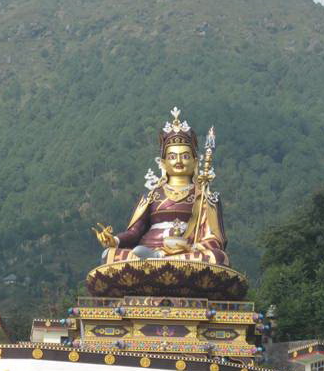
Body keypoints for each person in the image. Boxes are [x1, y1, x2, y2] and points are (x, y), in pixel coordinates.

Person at [93, 108, 228, 266]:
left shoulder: (204, 196)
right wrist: (115, 240)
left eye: (185, 156)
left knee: (216, 257)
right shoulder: (152, 195)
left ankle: (160, 257)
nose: (179, 161)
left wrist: (192, 248)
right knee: (108, 255)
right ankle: (156, 257)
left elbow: (214, 238)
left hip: (185, 252)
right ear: (163, 162)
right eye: (172, 156)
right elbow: (135, 232)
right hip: (146, 249)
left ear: (195, 161)